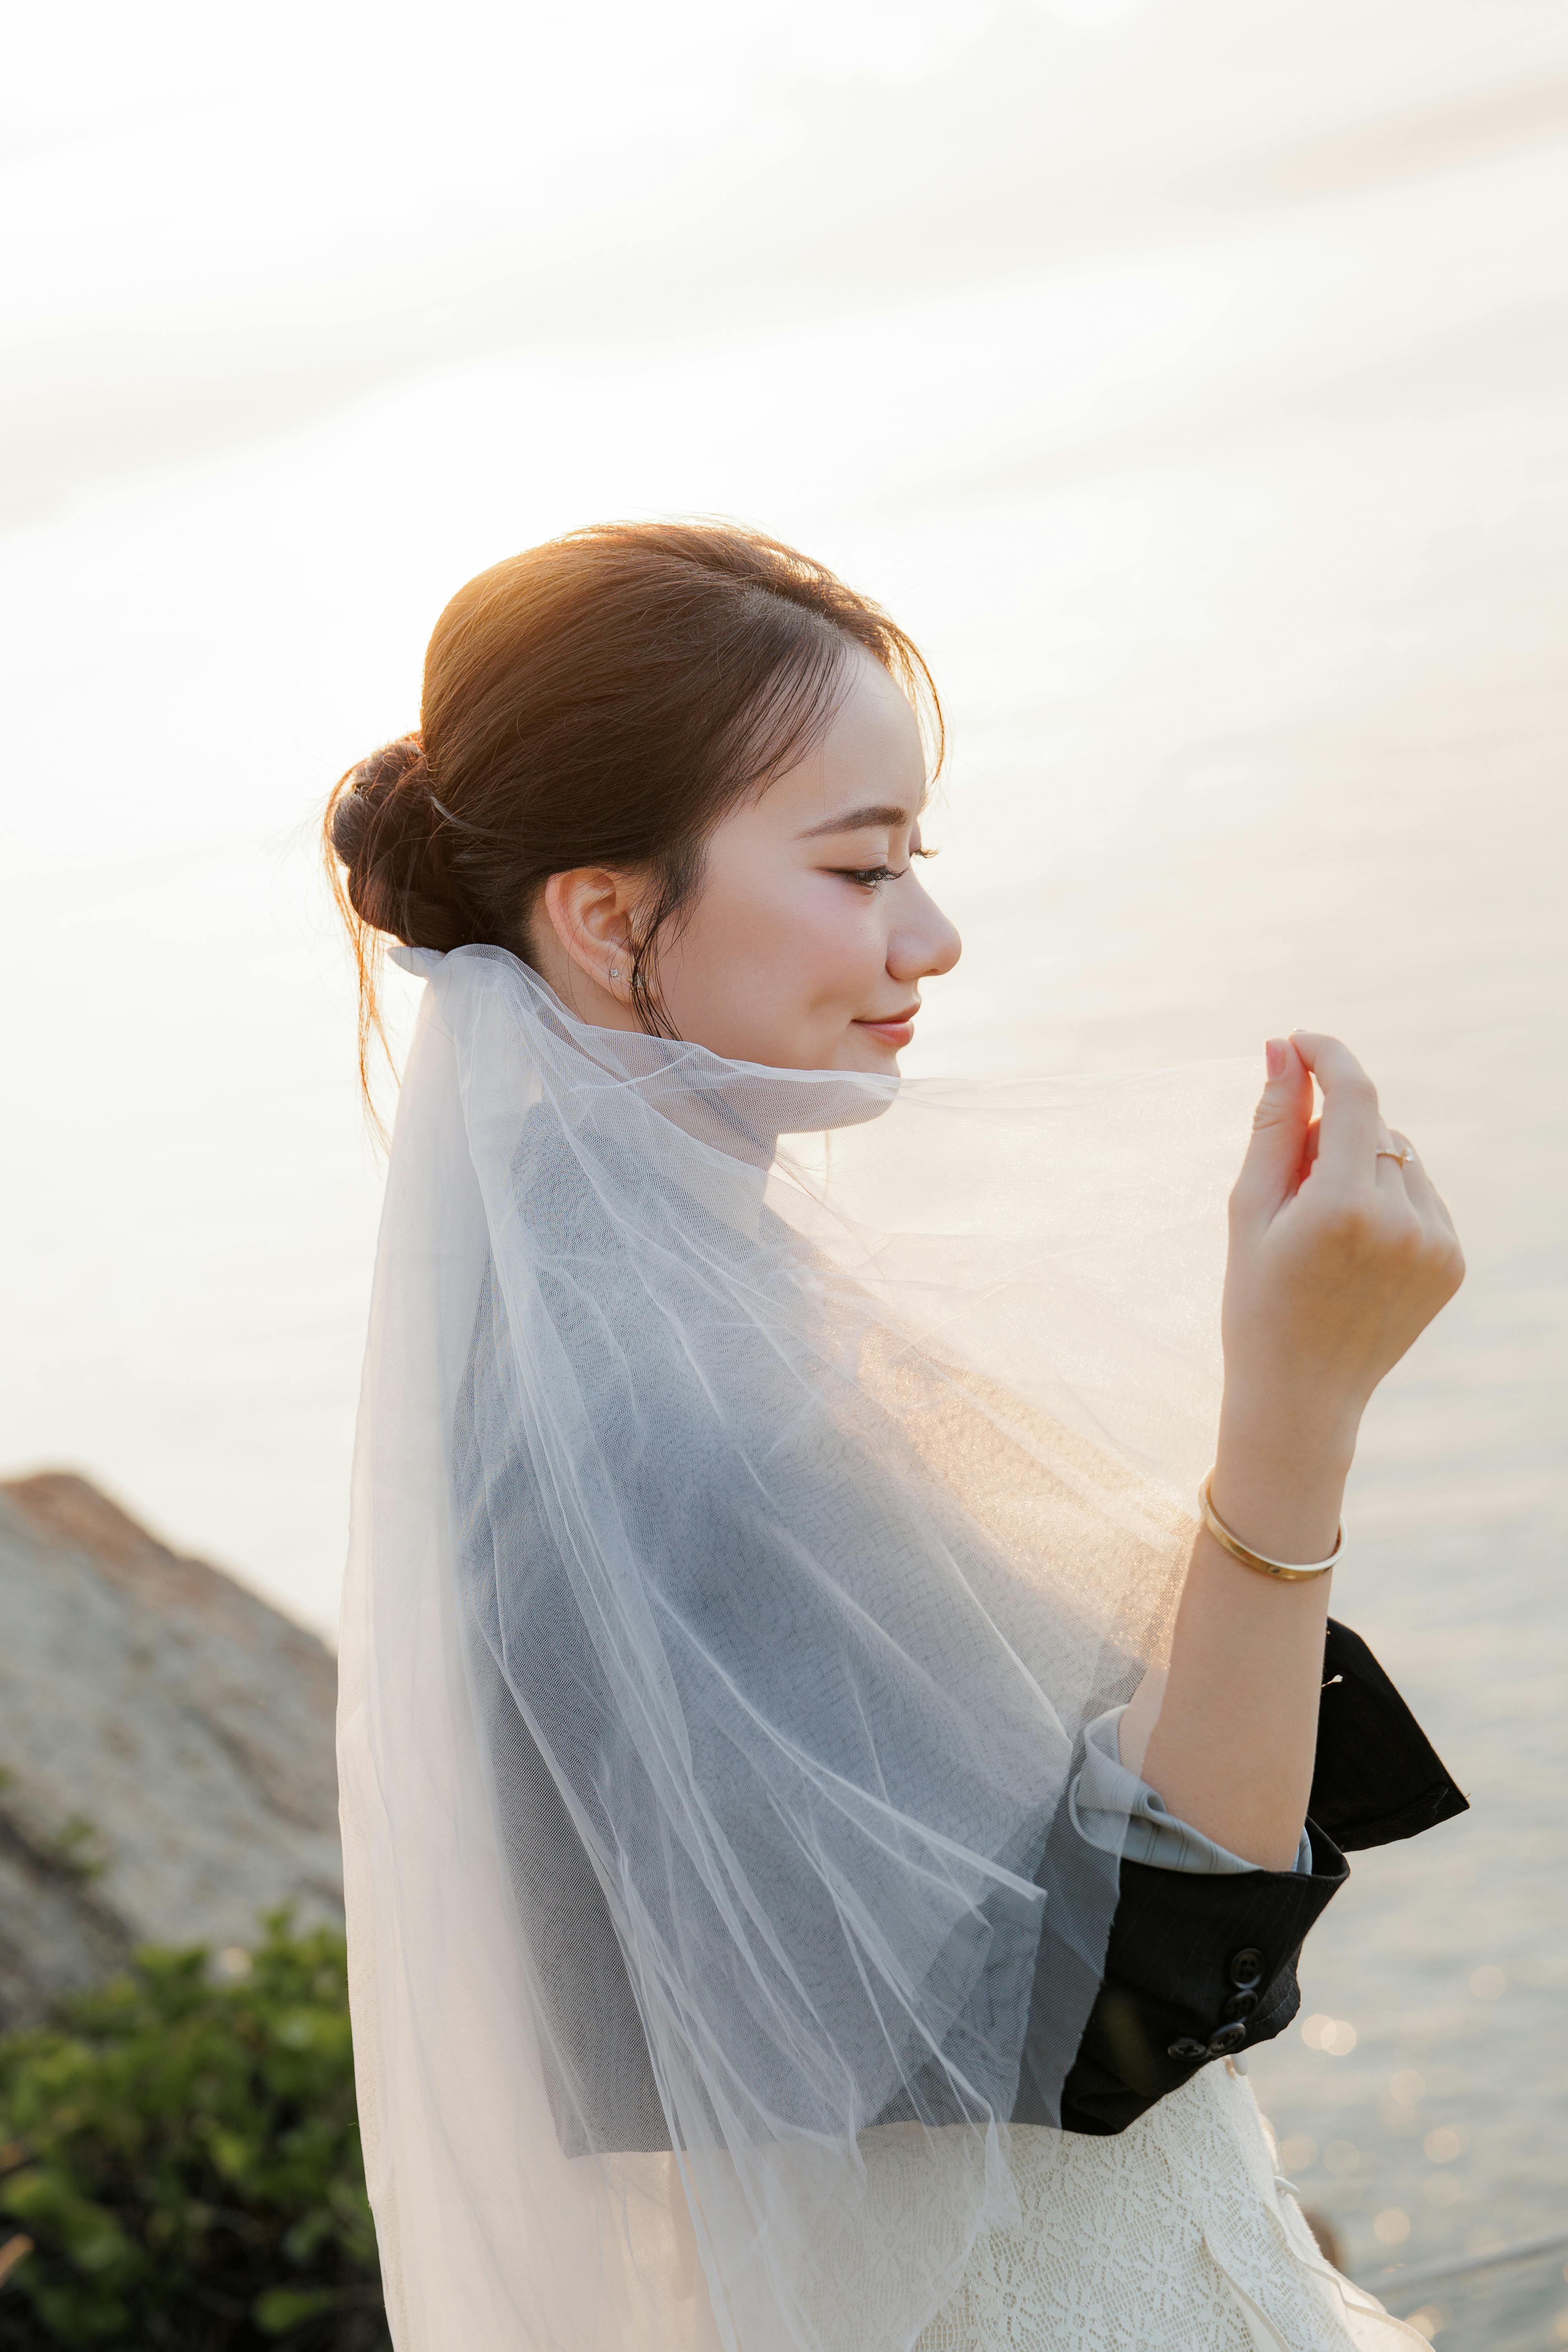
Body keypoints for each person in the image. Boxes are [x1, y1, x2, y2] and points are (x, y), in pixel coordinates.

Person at [327, 521, 1467, 2352]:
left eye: (915, 858)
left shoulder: (683, 1321)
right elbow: (1128, 2003)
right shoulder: (665, 1420)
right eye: (860, 868)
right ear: (612, 914)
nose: (928, 936)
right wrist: (1295, 1413)